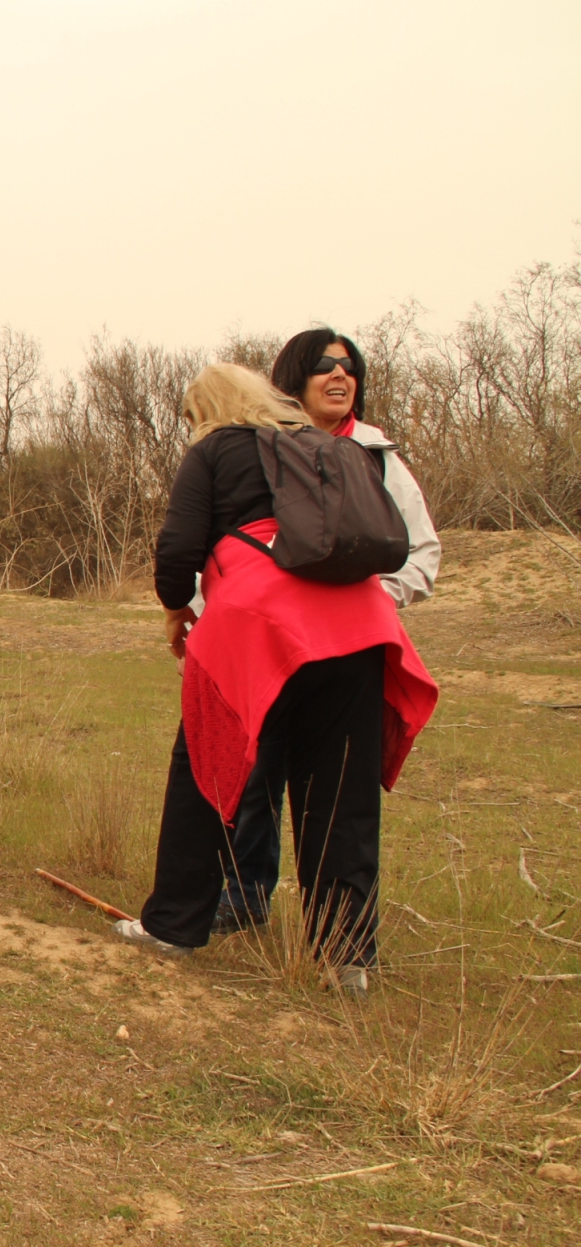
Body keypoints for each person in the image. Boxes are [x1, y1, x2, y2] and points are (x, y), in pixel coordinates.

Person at [117, 365, 437, 998]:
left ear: (206, 410)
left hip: (258, 624)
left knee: (207, 766)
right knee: (341, 792)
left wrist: (177, 608)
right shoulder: (333, 447)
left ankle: (175, 926)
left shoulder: (214, 449)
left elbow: (177, 552)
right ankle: (346, 959)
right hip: (360, 623)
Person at [212, 329, 443, 934]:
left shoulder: (377, 456)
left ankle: (341, 941)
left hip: (347, 654)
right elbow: (226, 546)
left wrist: (367, 597)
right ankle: (242, 899)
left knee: (340, 795)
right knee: (251, 770)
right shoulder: (259, 450)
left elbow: (422, 553)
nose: (340, 377)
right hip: (266, 647)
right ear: (294, 378)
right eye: (324, 367)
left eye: (350, 367)